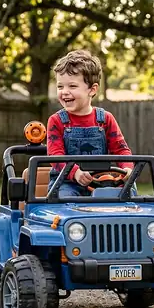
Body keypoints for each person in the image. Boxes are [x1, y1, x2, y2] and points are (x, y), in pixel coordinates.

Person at [46, 49, 135, 198]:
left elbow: (121, 150)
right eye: (60, 86)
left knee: (129, 194)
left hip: (101, 180)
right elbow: (55, 156)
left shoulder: (105, 119)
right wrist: (75, 173)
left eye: (72, 86)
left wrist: (127, 169)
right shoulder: (56, 121)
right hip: (66, 183)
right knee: (65, 199)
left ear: (92, 90)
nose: (64, 92)